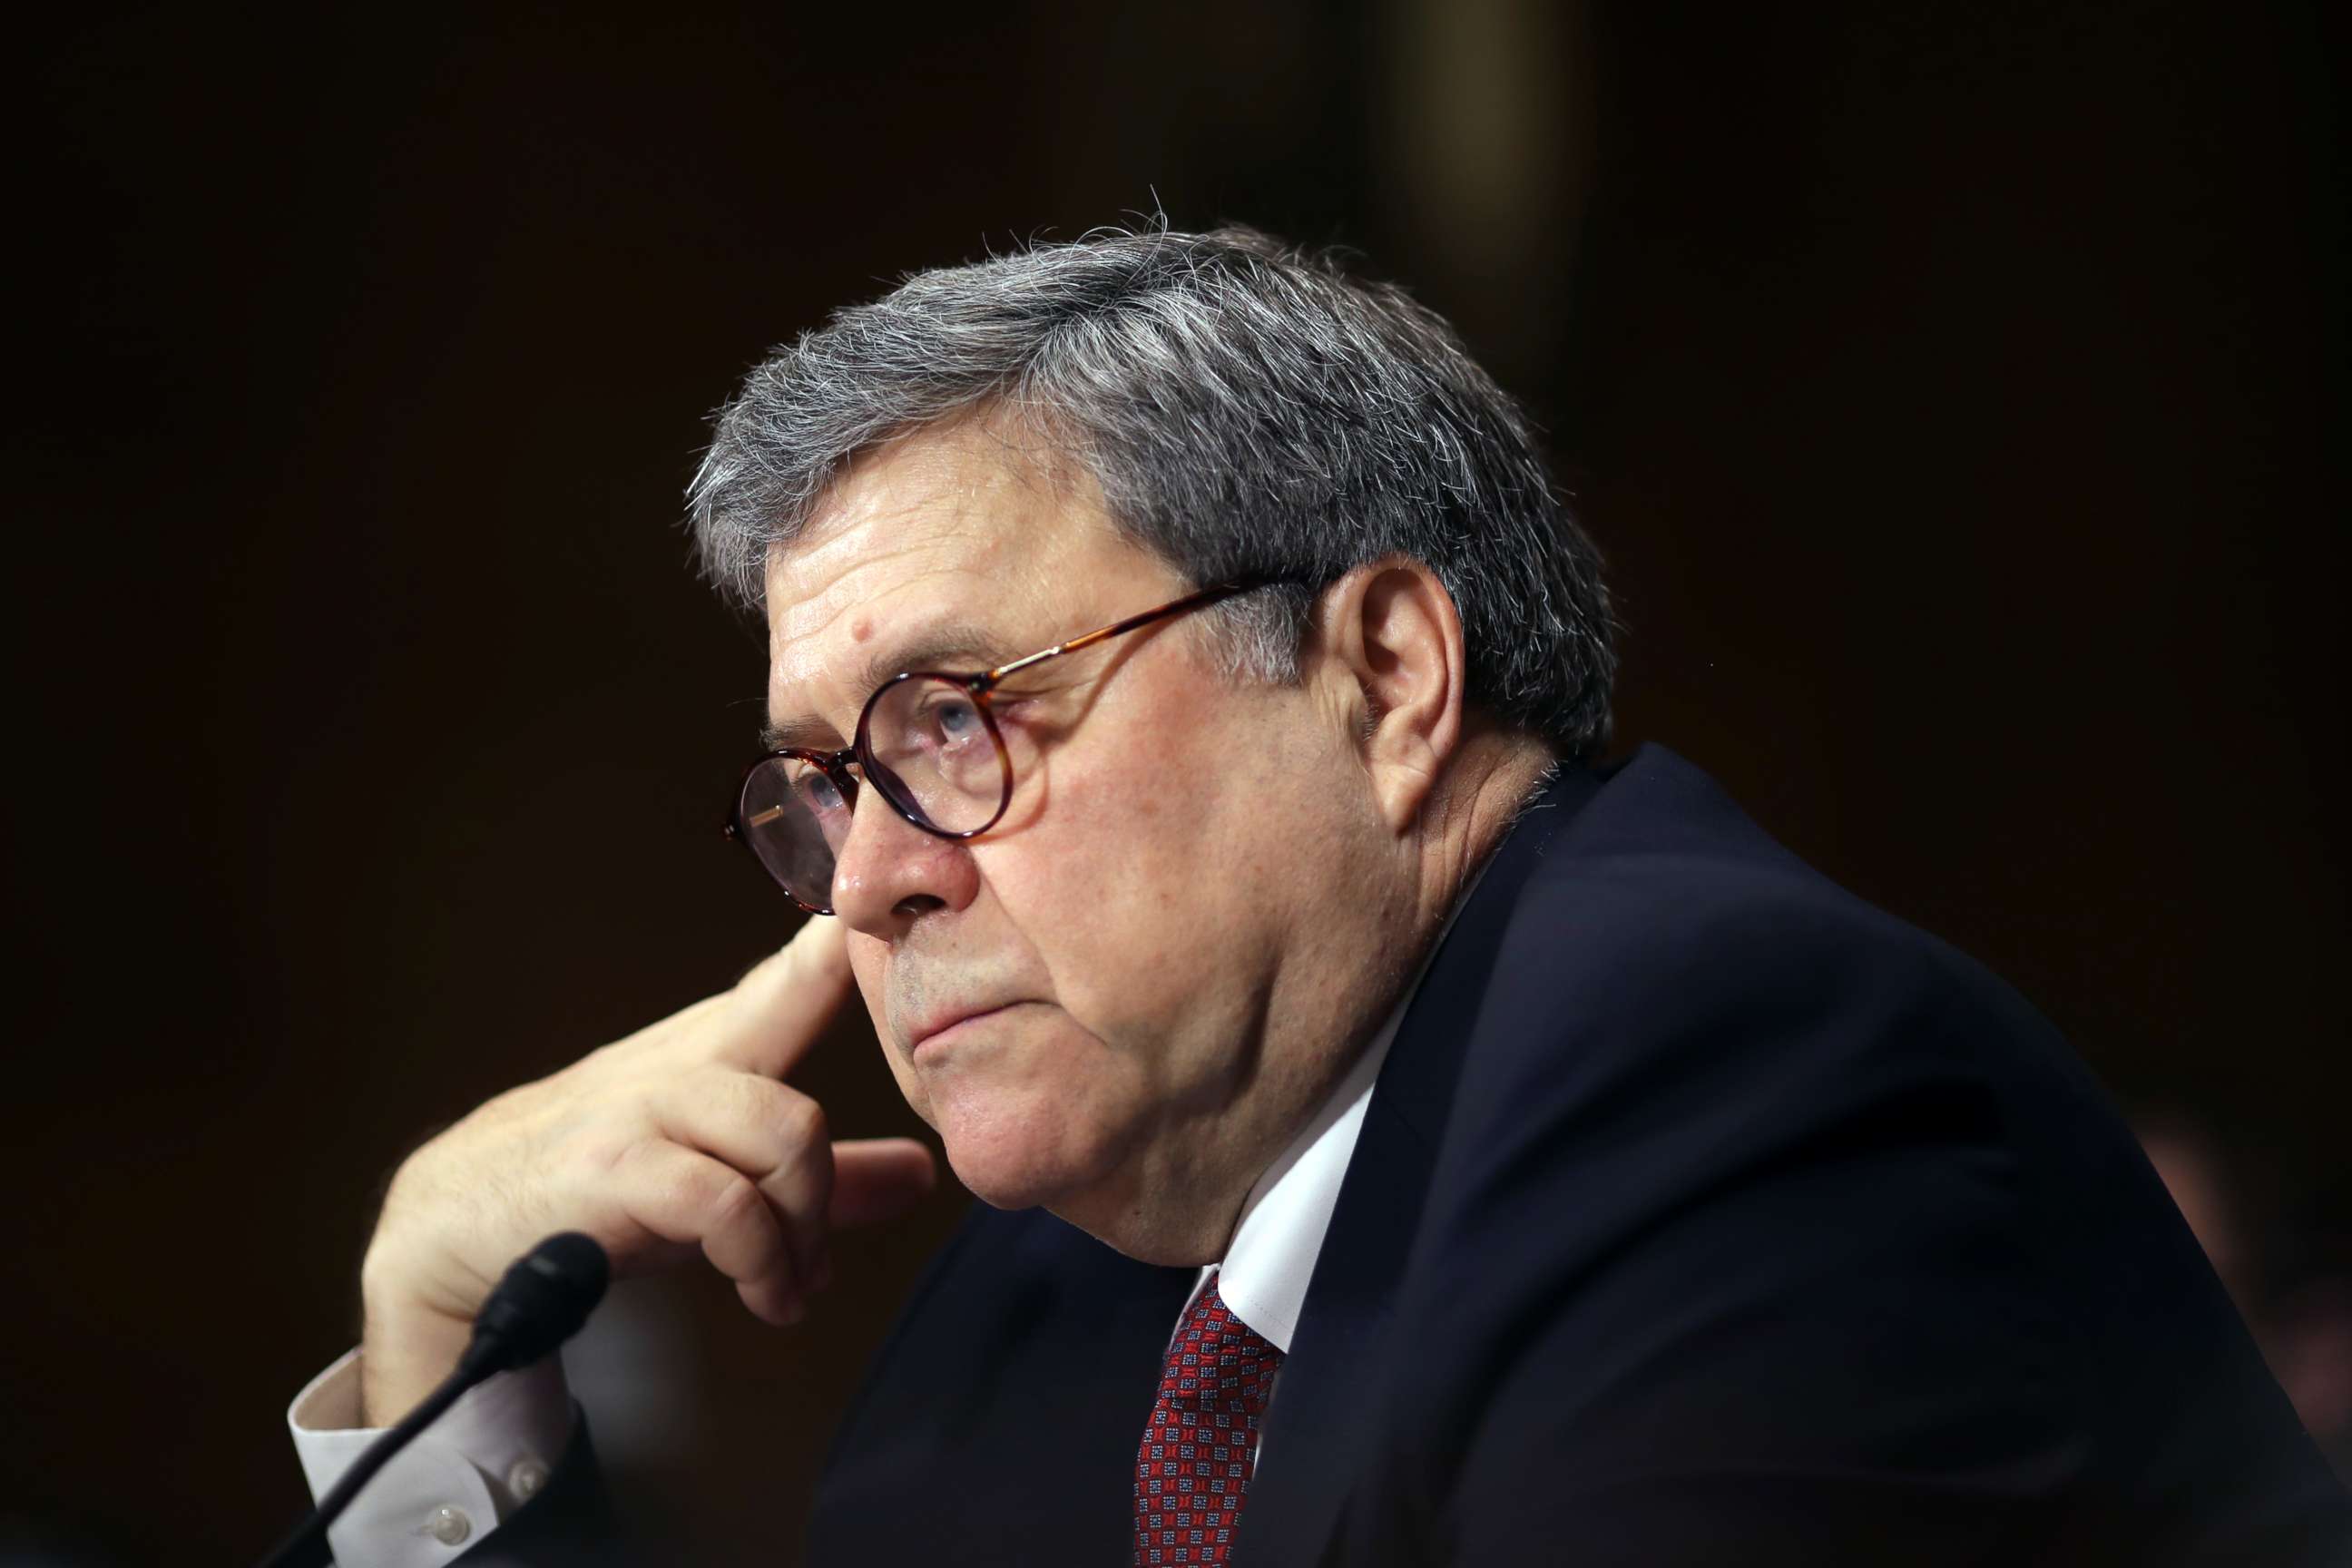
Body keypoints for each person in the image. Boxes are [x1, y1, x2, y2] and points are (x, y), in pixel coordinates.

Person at [286, 226, 2348, 1566]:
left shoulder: (1739, 1091)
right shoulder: (1056, 1298)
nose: (872, 889)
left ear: (1383, 681)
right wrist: (453, 1385)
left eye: (954, 721)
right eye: (828, 783)